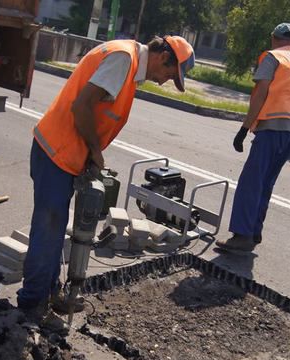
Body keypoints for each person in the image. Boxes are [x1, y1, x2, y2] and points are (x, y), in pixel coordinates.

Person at [17, 35, 195, 324]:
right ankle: (30, 305)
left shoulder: (128, 61)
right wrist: (95, 151)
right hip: (56, 152)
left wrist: (89, 156)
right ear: (164, 57)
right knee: (48, 228)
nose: (164, 81)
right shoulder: (124, 59)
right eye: (169, 74)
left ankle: (49, 292)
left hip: (66, 154)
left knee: (56, 226)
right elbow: (82, 106)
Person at [217, 23, 290, 253]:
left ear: (273, 37)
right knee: (265, 183)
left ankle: (242, 236)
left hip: (273, 127)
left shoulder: (273, 57)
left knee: (251, 181)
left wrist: (244, 128)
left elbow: (260, 93)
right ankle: (254, 232)